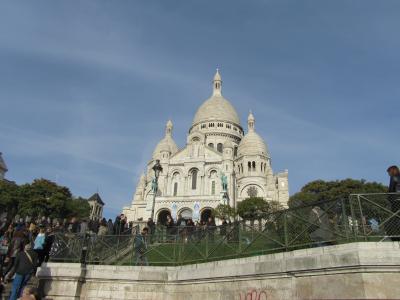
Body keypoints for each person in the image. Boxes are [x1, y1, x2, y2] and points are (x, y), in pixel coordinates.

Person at [387, 165, 400, 240]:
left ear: (392, 171)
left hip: (396, 200)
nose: (388, 174)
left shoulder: (394, 177)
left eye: (389, 172)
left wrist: (389, 198)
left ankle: (396, 236)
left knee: (396, 217)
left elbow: (391, 189)